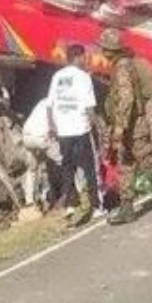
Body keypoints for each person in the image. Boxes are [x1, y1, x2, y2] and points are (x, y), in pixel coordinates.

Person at [99, 28, 152, 225]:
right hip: (131, 125)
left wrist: (119, 128)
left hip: (134, 126)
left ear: (112, 50)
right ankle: (127, 206)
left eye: (104, 48)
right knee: (125, 165)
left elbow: (126, 99)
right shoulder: (122, 65)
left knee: (148, 161)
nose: (102, 51)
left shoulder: (122, 67)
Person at [45, 45, 102, 226]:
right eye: (84, 57)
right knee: (89, 168)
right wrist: (95, 126)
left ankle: (70, 203)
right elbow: (89, 107)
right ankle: (96, 206)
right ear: (77, 57)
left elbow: (49, 105)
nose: (85, 60)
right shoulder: (83, 77)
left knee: (67, 167)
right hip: (80, 128)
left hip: (63, 131)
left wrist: (53, 125)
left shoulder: (57, 76)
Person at [19, 94, 59, 220]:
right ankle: (74, 193)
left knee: (32, 169)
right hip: (41, 136)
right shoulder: (57, 104)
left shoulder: (43, 101)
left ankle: (29, 201)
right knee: (62, 160)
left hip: (26, 135)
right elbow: (55, 126)